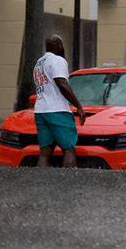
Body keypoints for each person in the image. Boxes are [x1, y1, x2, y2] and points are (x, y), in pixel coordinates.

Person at [33, 34, 86, 168]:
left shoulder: (38, 64)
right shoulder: (58, 60)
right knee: (69, 150)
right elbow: (61, 83)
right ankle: (68, 184)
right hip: (58, 111)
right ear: (59, 45)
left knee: (44, 153)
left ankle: (40, 184)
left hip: (40, 112)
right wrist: (78, 106)